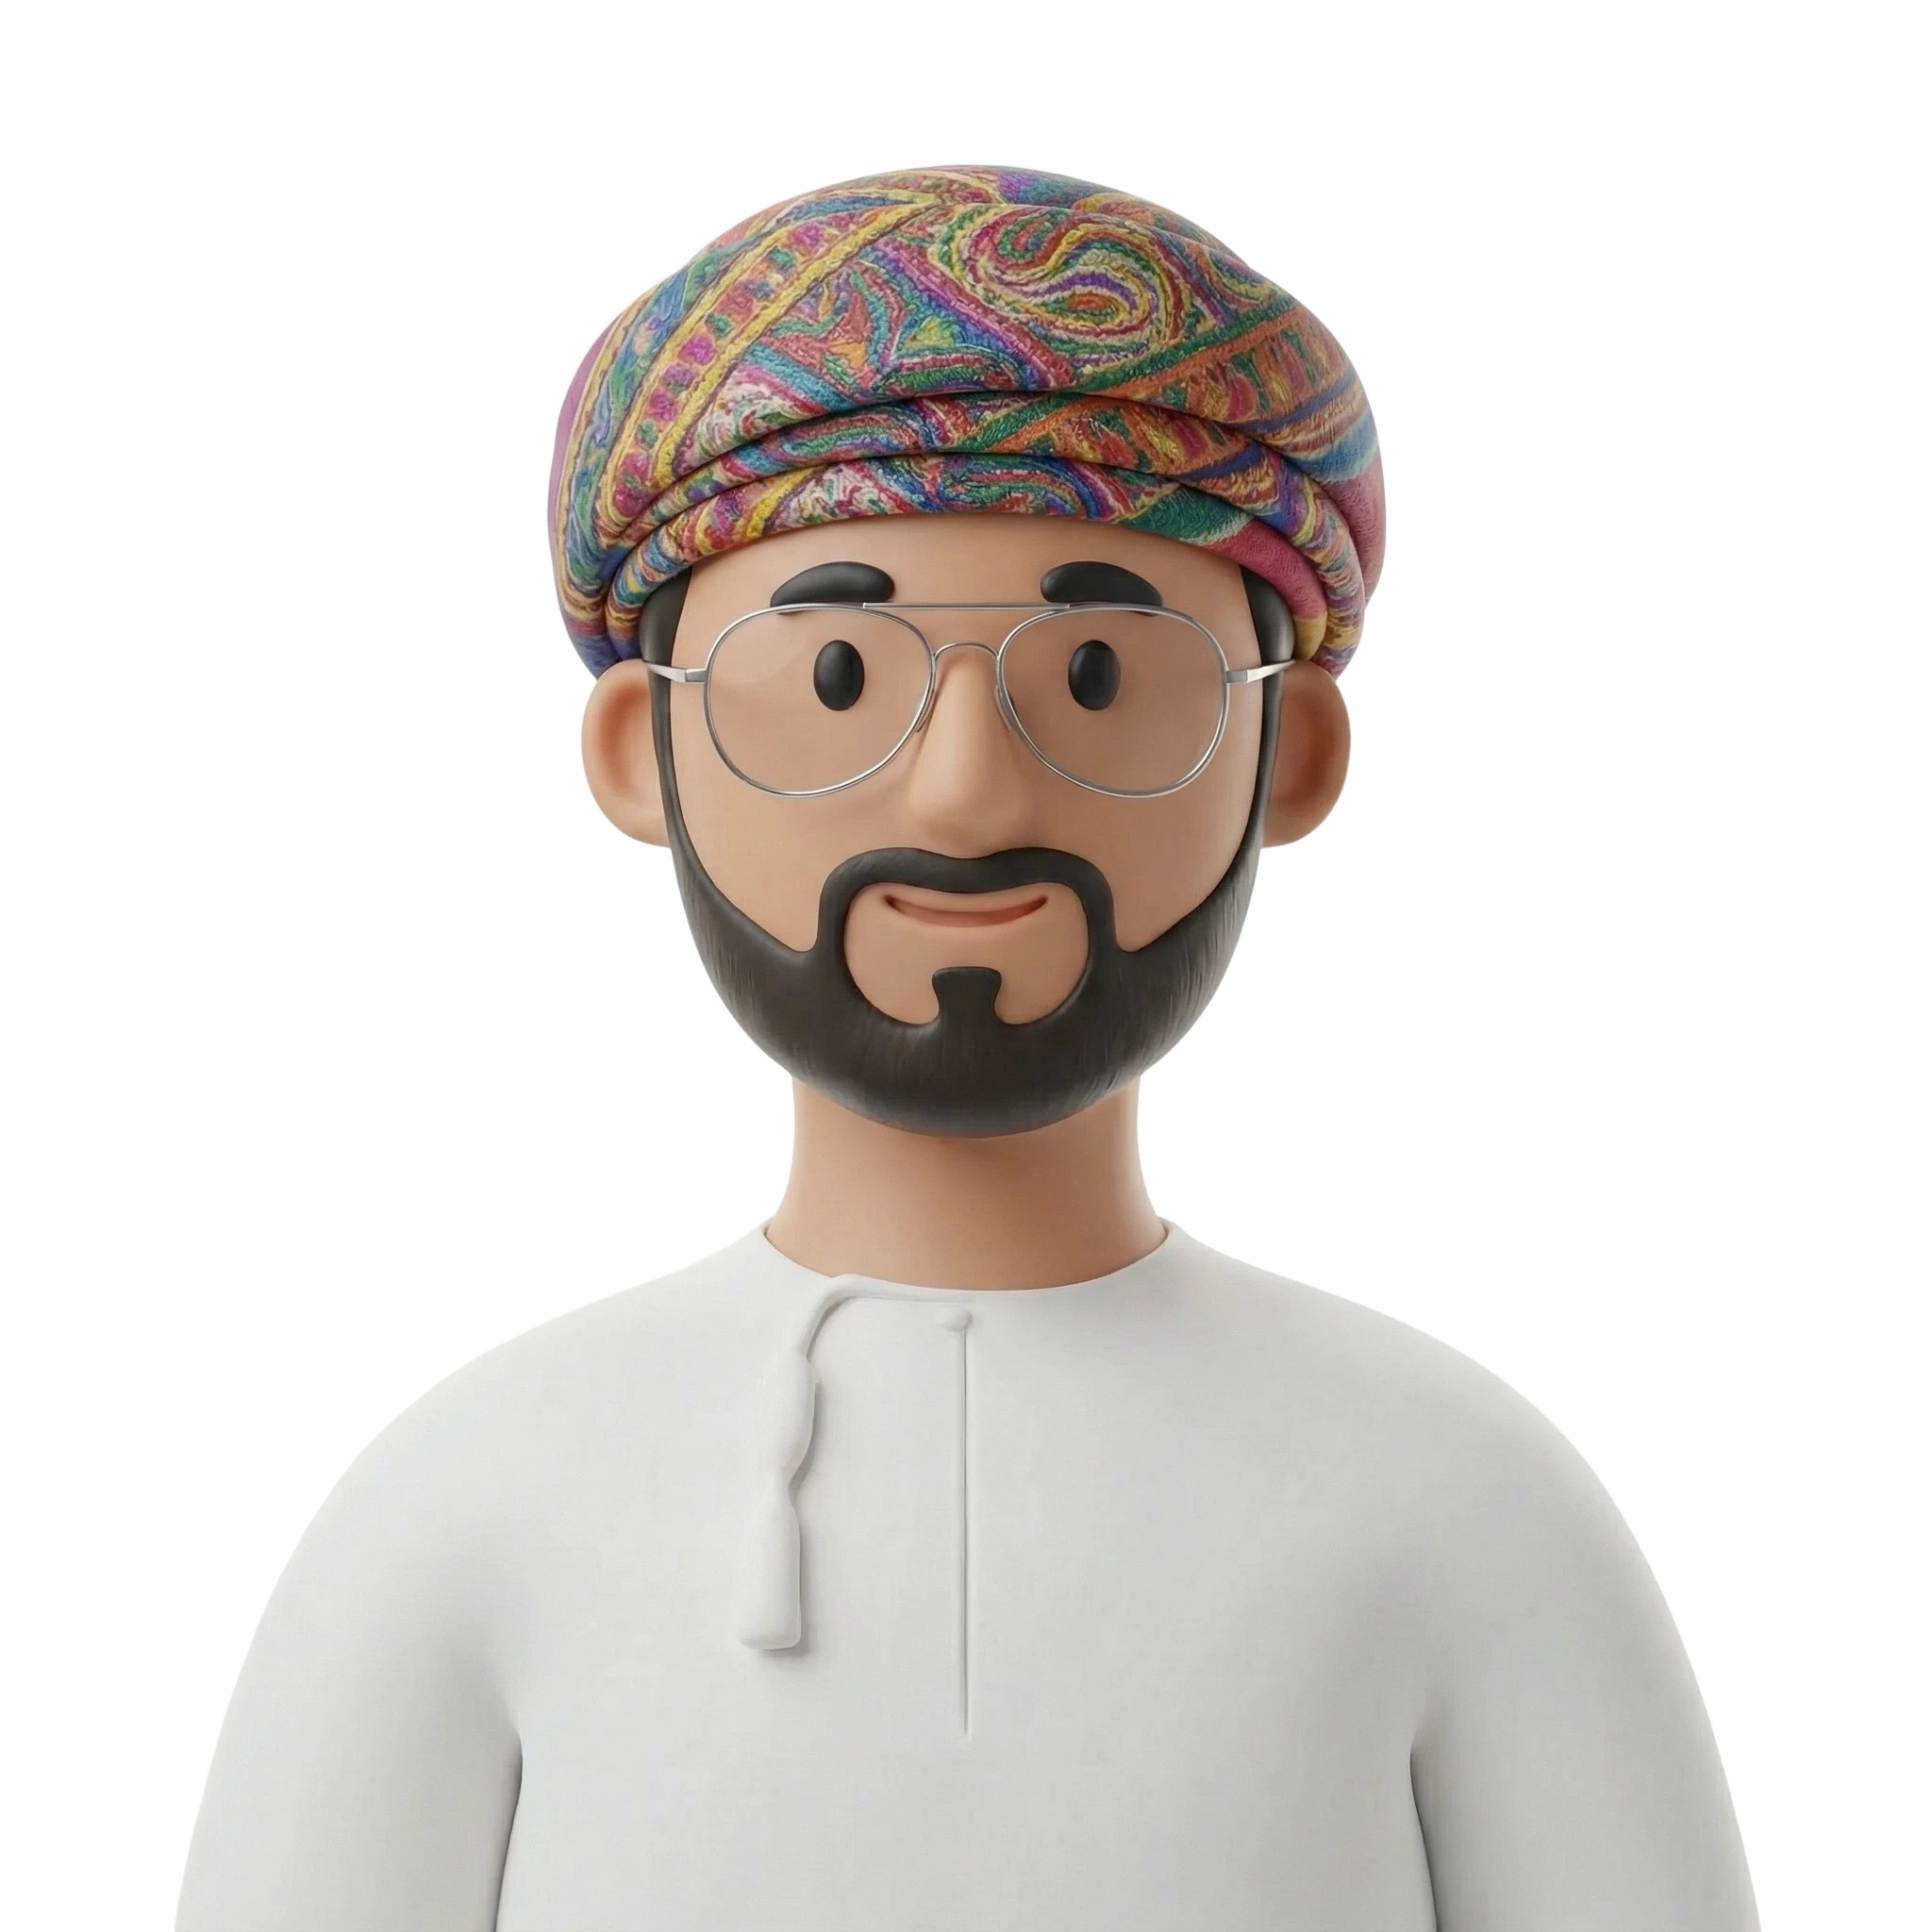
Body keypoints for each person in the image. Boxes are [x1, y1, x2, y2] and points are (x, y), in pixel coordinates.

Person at [175, 168, 1760, 1929]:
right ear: (639, 754)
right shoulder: (460, 1506)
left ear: (1294, 754)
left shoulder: (1470, 1504)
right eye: (837, 679)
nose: (963, 794)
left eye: (1096, 678)